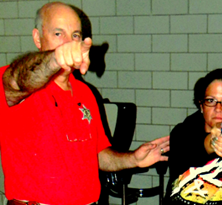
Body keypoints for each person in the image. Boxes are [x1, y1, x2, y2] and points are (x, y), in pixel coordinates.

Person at [0, 2, 169, 205]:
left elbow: (97, 155)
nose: (69, 43)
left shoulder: (86, 93)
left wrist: (133, 159)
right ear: (37, 37)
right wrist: (55, 59)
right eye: (58, 34)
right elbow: (16, 81)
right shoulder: (17, 83)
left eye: (75, 36)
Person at [164, 68, 222, 205]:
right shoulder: (182, 132)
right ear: (201, 105)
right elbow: (192, 148)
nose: (219, 108)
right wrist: (214, 141)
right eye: (211, 100)